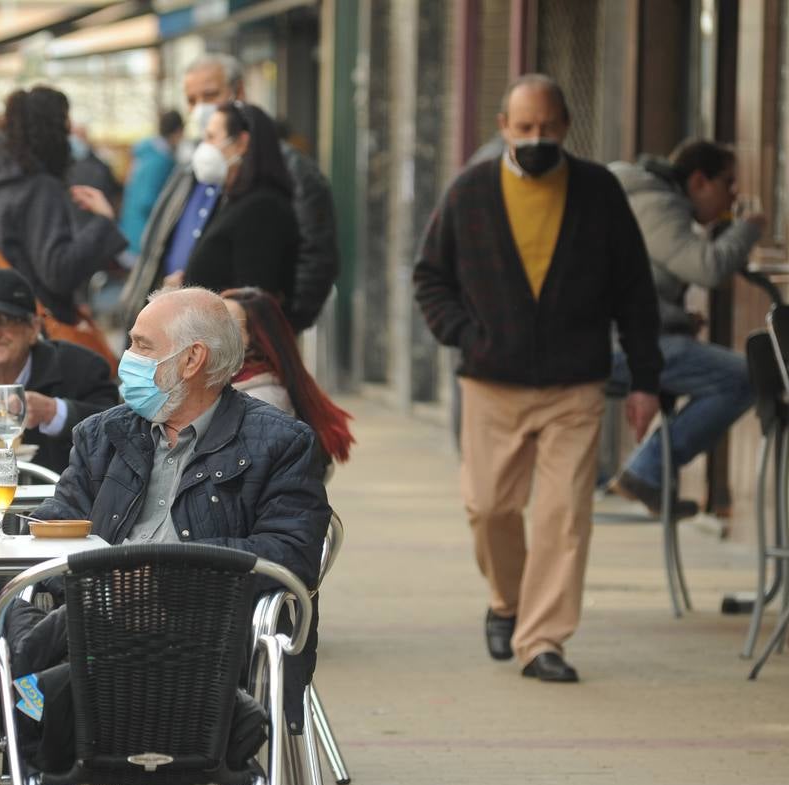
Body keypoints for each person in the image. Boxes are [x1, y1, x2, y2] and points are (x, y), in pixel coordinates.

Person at [4, 288, 331, 785]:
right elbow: (53, 532)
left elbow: (291, 557)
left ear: (191, 361)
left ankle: (28, 710)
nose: (125, 357)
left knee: (23, 676)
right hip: (99, 625)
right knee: (14, 627)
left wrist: (167, 582)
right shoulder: (103, 435)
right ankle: (34, 705)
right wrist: (101, 581)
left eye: (139, 345)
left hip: (212, 638)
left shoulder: (279, 443)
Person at [413, 74, 663, 684]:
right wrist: (468, 337)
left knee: (563, 515)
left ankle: (543, 640)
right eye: (524, 128)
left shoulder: (599, 192)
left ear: (566, 127)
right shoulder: (471, 192)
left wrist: (645, 379)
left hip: (575, 384)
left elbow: (635, 291)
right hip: (490, 382)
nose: (537, 138)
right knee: (489, 507)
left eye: (547, 127)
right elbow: (430, 278)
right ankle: (507, 600)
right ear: (503, 127)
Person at [122, 53, 339, 333]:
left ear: (239, 92)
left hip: (235, 342)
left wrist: (278, 333)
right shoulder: (190, 168)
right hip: (179, 332)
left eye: (210, 95)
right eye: (191, 100)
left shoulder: (289, 175)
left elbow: (315, 263)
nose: (200, 108)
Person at [606, 139, 761, 515]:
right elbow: (707, 267)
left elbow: (630, 283)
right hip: (617, 345)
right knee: (746, 377)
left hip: (611, 336)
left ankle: (648, 471)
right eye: (728, 183)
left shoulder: (644, 198)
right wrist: (749, 228)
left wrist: (676, 319)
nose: (732, 195)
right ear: (699, 182)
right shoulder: (656, 204)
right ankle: (647, 471)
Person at [0, 85, 126, 373]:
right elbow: (59, 271)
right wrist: (103, 222)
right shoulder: (38, 188)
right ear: (51, 132)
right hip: (21, 347)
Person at [0, 268, 119, 473]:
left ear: (33, 328)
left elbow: (117, 433)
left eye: (4, 320)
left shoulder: (82, 369)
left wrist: (54, 412)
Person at [172, 102, 299, 300]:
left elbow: (250, 300)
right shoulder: (232, 200)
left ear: (241, 143)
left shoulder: (262, 208)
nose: (203, 146)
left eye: (211, 137)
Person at [222, 287, 354, 464]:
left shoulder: (259, 398)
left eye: (227, 325)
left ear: (255, 339)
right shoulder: (228, 383)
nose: (210, 330)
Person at [120, 110, 184, 256]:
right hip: (143, 235)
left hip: (130, 228)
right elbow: (147, 200)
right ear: (178, 132)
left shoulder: (145, 152)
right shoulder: (161, 160)